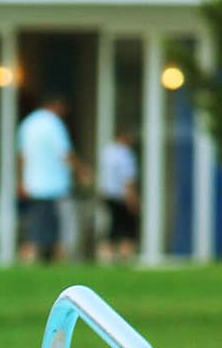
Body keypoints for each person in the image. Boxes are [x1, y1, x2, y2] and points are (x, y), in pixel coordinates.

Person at [16, 92, 90, 263]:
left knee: (37, 225)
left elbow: (21, 156)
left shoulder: (28, 124)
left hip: (34, 184)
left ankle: (30, 259)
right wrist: (82, 172)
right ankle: (58, 261)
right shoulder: (54, 124)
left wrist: (20, 180)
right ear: (56, 105)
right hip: (55, 185)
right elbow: (65, 153)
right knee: (60, 230)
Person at [97, 127, 141, 262]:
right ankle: (125, 254)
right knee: (126, 227)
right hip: (121, 196)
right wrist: (133, 199)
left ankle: (106, 255)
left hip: (108, 194)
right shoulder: (125, 154)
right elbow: (128, 179)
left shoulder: (108, 152)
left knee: (112, 225)